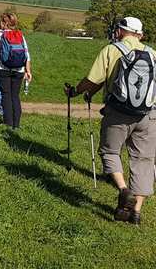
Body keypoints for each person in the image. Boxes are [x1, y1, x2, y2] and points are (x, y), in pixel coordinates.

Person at [65, 17, 156, 225]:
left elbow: (93, 79)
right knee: (143, 160)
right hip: (148, 114)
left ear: (121, 31)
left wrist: (75, 92)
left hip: (118, 112)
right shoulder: (152, 54)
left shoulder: (111, 50)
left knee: (110, 151)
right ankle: (136, 212)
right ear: (140, 34)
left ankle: (123, 190)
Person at [0, 12, 32, 129]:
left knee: (6, 95)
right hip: (19, 69)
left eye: (1, 22)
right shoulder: (20, 35)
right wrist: (28, 71)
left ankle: (8, 124)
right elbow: (27, 54)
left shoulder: (0, 35)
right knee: (15, 96)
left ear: (5, 23)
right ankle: (16, 125)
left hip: (3, 69)